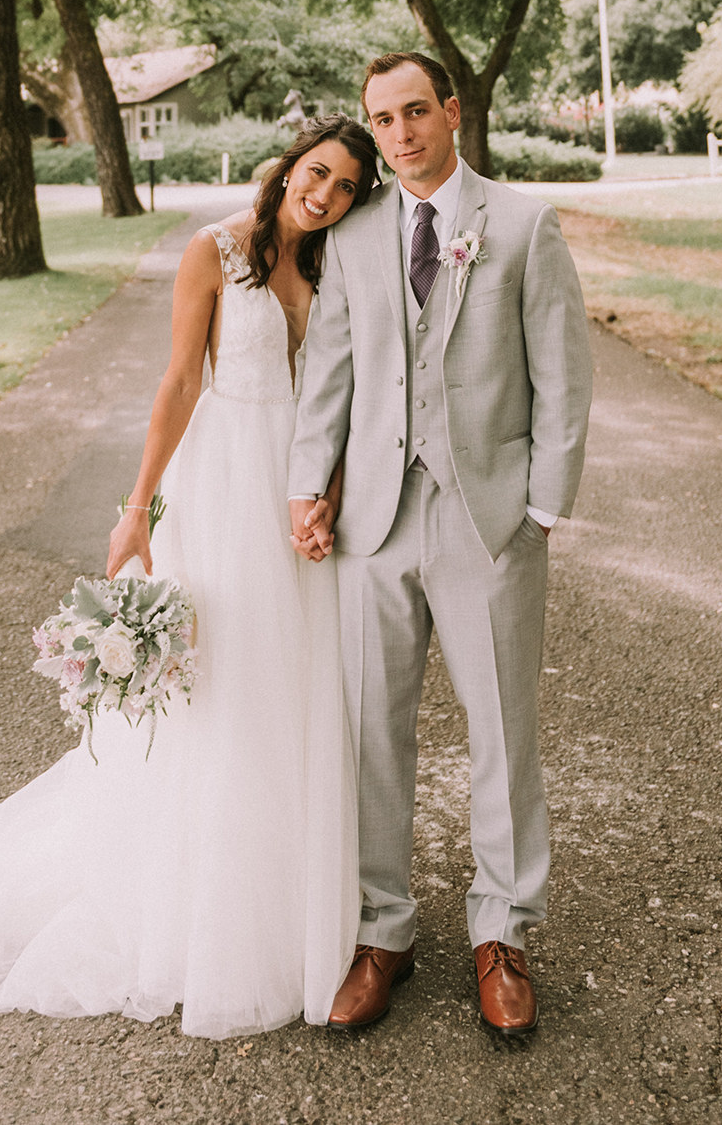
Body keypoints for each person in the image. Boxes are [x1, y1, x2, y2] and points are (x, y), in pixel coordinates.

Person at [0, 115, 378, 1041]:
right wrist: (137, 509)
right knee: (220, 682)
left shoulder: (334, 264)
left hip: (299, 495)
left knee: (293, 683)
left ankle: (292, 885)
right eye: (318, 173)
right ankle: (200, 901)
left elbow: (342, 395)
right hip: (222, 485)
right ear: (290, 167)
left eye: (347, 186)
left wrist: (329, 494)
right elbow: (178, 385)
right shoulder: (215, 252)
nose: (326, 195)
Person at [289, 53, 593, 1042]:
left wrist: (542, 508)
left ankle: (502, 931)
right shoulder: (355, 235)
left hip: (487, 518)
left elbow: (563, 373)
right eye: (382, 120)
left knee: (502, 727)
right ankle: (382, 931)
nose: (400, 133)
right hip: (373, 524)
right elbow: (330, 375)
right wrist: (308, 488)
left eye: (416, 111)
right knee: (371, 728)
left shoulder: (524, 225)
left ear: (451, 111)